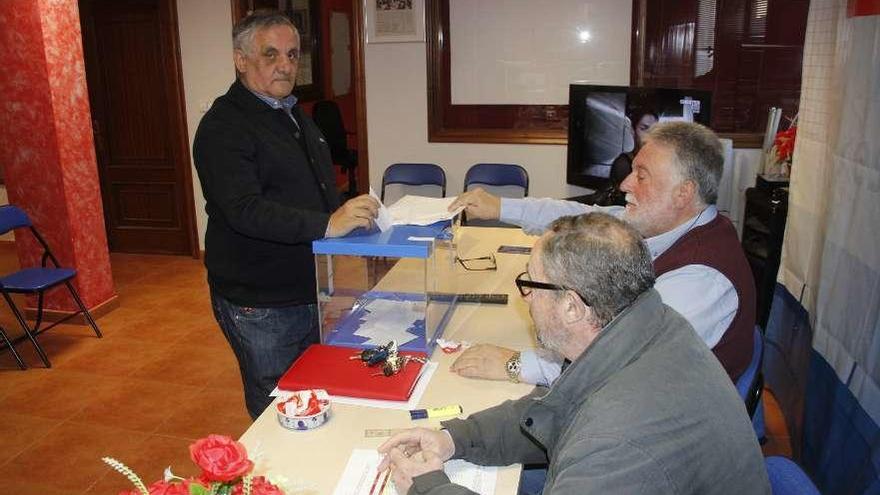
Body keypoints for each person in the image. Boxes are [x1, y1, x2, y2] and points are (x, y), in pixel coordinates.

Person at [378, 213, 770, 494]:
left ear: (572, 307)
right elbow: (553, 408)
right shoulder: (645, 325)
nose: (525, 298)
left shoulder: (616, 440)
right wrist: (454, 439)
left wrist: (427, 487)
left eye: (529, 283)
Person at [449, 121, 755, 386]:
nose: (625, 183)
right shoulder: (661, 224)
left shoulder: (701, 280)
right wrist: (500, 207)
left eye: (642, 175)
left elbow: (617, 364)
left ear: (683, 193)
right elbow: (578, 216)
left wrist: (516, 365)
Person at [193, 11, 378, 419]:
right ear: (241, 60)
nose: (285, 64)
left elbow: (310, 189)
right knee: (278, 407)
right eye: (271, 54)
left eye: (292, 55)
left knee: (312, 390)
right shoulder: (223, 126)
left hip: (305, 287)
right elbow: (244, 209)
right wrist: (328, 223)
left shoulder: (292, 113)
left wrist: (347, 218)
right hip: (259, 300)